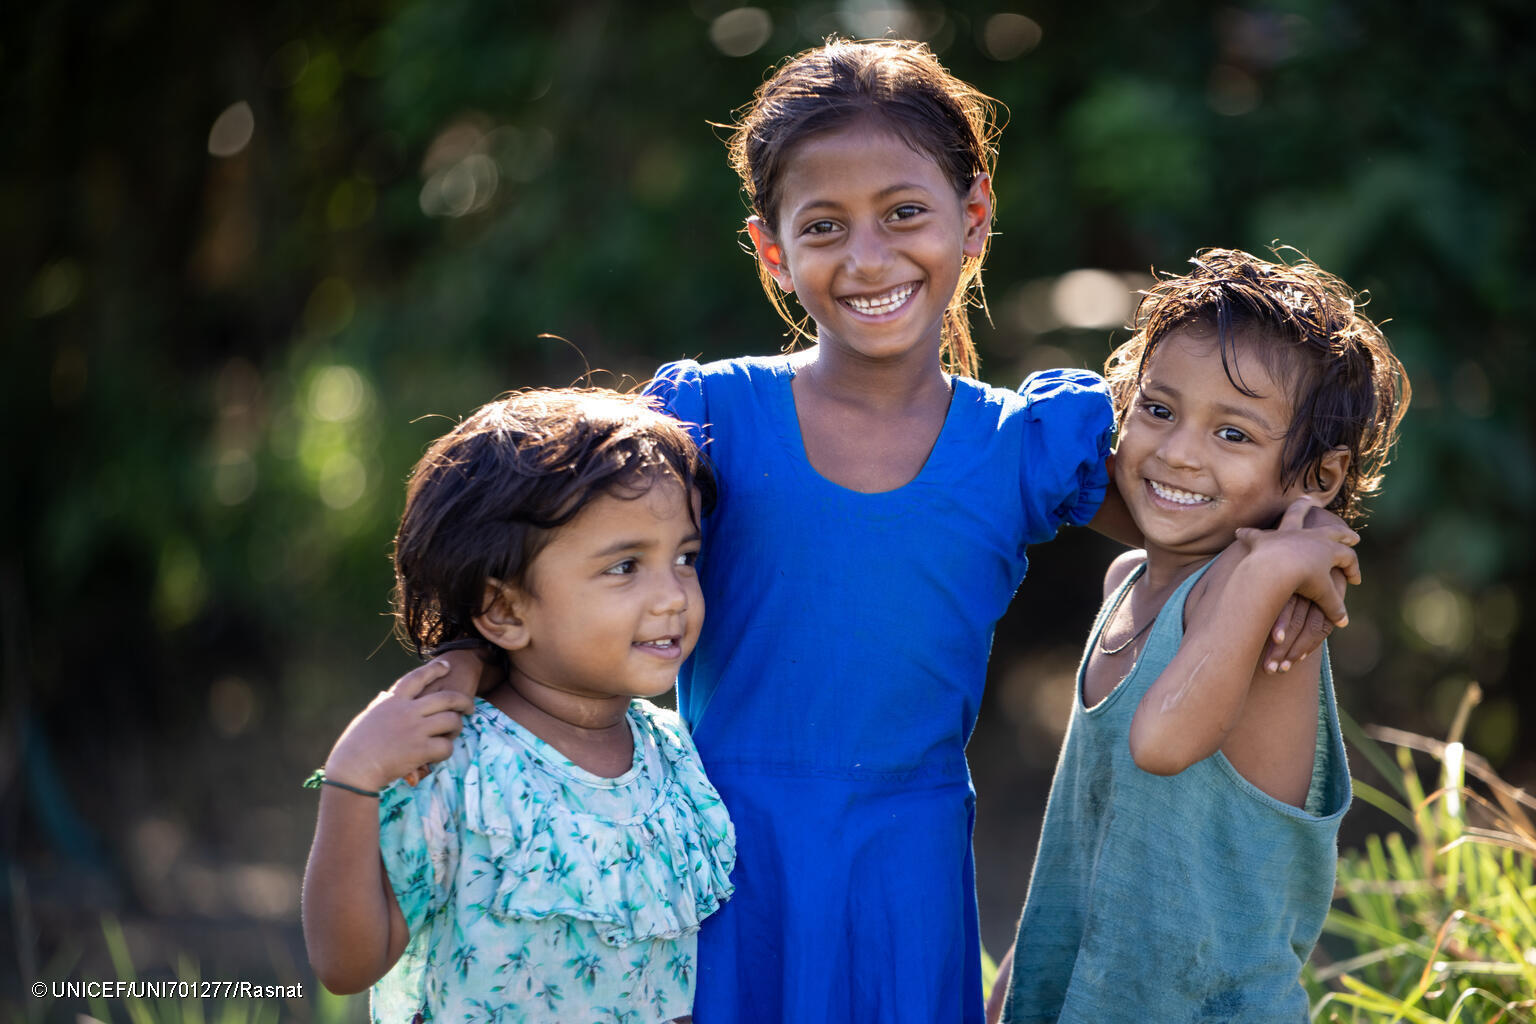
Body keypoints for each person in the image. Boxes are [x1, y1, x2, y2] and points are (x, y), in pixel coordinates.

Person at [991, 247, 1410, 1023]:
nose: (1179, 451)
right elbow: (1094, 831)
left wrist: (1265, 572)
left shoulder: (1270, 621)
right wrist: (1023, 979)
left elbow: (1162, 741)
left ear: (1318, 477)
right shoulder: (1127, 586)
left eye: (1234, 435)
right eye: (1158, 410)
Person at [301, 389, 737, 1024]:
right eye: (624, 566)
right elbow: (344, 964)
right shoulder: (459, 764)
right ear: (505, 609)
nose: (673, 595)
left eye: (685, 558)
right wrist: (350, 781)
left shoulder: (673, 754)